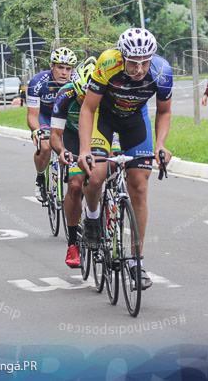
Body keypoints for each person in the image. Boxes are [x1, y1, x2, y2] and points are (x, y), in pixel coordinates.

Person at [78, 28, 173, 291]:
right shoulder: (108, 62)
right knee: (95, 175)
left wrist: (161, 145)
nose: (140, 68)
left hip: (135, 120)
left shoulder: (162, 71)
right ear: (123, 56)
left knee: (140, 186)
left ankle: (136, 261)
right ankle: (93, 216)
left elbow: (164, 112)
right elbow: (88, 107)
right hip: (105, 117)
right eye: (133, 62)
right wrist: (85, 148)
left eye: (145, 61)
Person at [50, 57, 97, 268]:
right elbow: (55, 135)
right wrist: (62, 151)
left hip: (98, 135)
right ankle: (72, 243)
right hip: (72, 138)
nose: (84, 102)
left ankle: (100, 214)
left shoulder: (105, 95)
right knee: (76, 183)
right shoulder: (65, 95)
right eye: (81, 97)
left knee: (108, 170)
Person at [28, 47, 77, 202]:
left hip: (65, 119)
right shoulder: (37, 82)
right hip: (45, 117)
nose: (64, 72)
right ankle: (40, 177)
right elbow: (32, 115)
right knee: (45, 145)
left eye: (68, 69)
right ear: (52, 66)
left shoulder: (77, 81)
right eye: (60, 67)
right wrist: (36, 131)